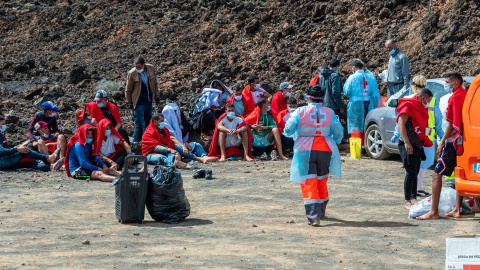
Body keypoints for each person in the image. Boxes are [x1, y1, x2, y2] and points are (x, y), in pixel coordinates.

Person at [284, 85, 343, 226]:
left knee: (309, 181)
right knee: (322, 179)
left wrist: (291, 133)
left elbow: (288, 128)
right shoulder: (329, 112)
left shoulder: (300, 111)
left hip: (304, 149)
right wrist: (336, 140)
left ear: (307, 97)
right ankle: (321, 212)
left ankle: (313, 216)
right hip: (325, 148)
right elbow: (338, 130)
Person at [417, 72, 468, 220]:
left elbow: (452, 124)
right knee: (460, 173)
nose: (446, 84)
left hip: (453, 142)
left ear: (456, 82)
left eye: (447, 82)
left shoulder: (455, 98)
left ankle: (433, 212)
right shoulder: (466, 96)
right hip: (465, 142)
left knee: (436, 175)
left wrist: (443, 141)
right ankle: (457, 209)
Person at [397, 88, 434, 209]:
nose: (429, 102)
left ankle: (413, 197)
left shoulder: (422, 108)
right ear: (423, 98)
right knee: (410, 172)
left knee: (416, 171)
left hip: (418, 144)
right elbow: (401, 123)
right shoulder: (408, 106)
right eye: (428, 100)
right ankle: (407, 199)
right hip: (409, 144)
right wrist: (407, 142)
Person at [142, 113, 216, 167]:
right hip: (151, 153)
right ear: (155, 122)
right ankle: (176, 163)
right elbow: (156, 147)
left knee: (178, 148)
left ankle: (200, 158)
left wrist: (180, 147)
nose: (163, 123)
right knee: (161, 158)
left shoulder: (164, 130)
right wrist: (169, 150)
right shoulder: (149, 132)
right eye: (161, 121)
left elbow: (170, 140)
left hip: (167, 148)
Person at [343, 60, 382, 145]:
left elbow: (347, 91)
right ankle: (366, 145)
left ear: (353, 67)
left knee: (355, 125)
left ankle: (357, 146)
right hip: (368, 103)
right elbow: (373, 91)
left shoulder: (352, 77)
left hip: (355, 104)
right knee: (366, 123)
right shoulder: (369, 77)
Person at [125, 56, 161, 143]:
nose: (137, 69)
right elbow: (128, 90)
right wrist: (131, 106)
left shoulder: (150, 69)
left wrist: (157, 101)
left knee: (149, 124)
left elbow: (155, 85)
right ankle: (136, 144)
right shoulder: (132, 73)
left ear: (144, 65)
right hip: (138, 103)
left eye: (139, 67)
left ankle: (147, 142)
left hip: (148, 101)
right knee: (139, 126)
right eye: (136, 67)